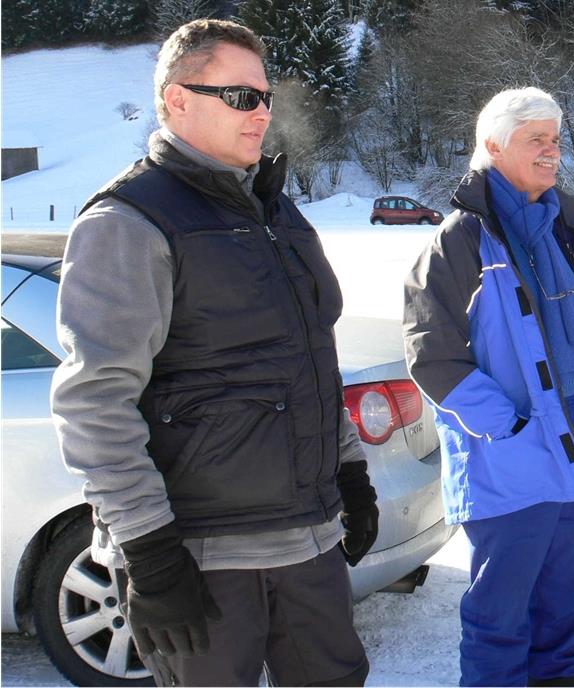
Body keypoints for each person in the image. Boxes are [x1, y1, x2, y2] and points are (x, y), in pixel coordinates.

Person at [50, 19, 375, 686]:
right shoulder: (130, 222)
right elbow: (94, 403)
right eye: (240, 96)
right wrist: (149, 552)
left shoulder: (276, 213)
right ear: (178, 100)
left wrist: (350, 474)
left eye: (265, 96)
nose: (261, 112)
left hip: (308, 548)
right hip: (204, 561)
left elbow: (312, 360)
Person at [402, 86, 574, 687]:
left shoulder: (564, 225)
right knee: (501, 614)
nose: (551, 151)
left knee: (568, 600)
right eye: (535, 139)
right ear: (492, 146)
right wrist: (505, 425)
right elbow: (431, 353)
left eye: (556, 139)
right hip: (509, 448)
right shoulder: (458, 241)